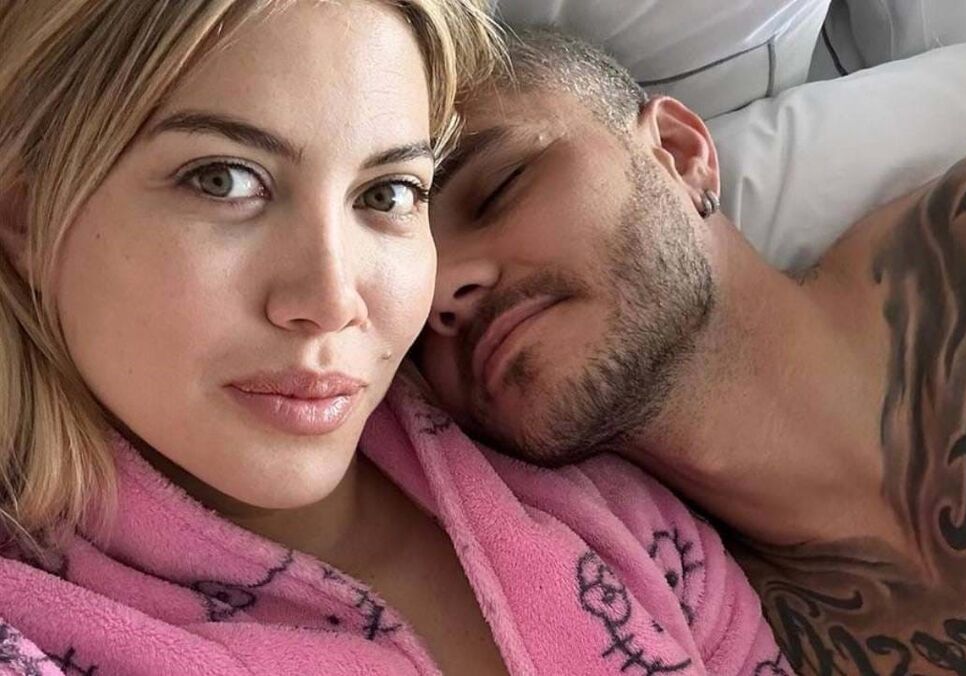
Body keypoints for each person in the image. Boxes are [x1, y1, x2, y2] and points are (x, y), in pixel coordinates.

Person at [0, 5, 784, 675]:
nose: (333, 301)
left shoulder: (618, 519)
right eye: (224, 180)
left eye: (388, 194)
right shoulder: (28, 624)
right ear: (25, 218)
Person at [420, 26, 966, 674]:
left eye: (499, 186)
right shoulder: (680, 625)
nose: (443, 287)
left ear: (680, 152)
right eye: (412, 294)